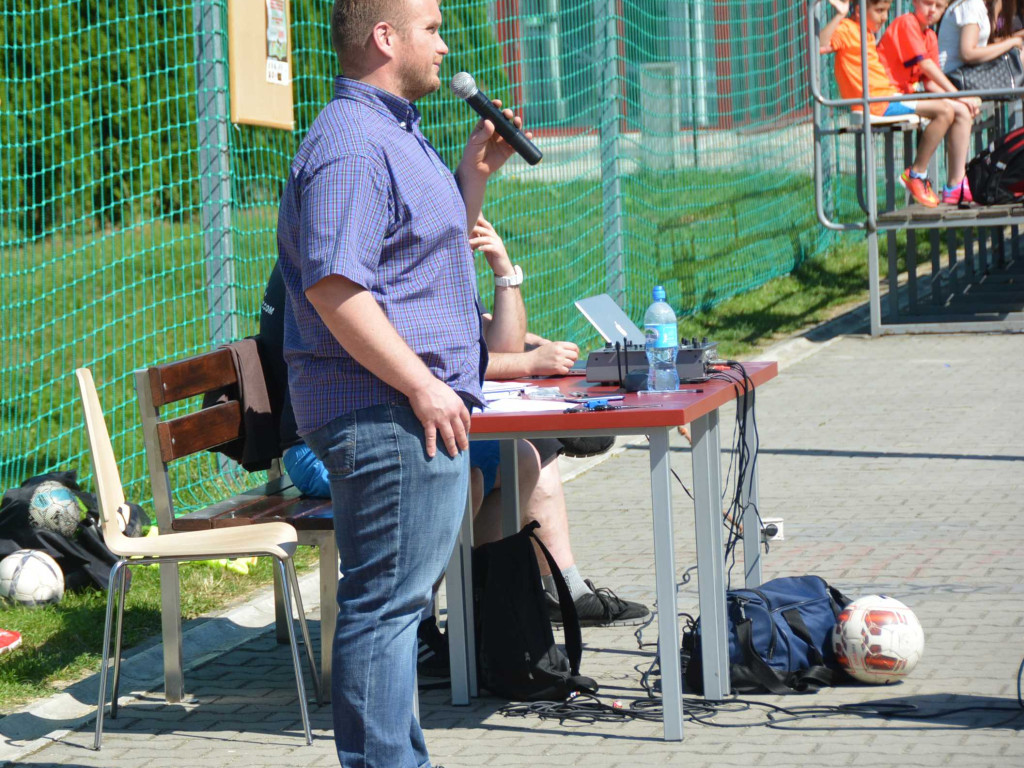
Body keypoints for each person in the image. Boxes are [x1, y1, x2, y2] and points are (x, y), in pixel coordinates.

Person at [275, 1, 525, 765]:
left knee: (394, 606)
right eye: (433, 28)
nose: (447, 45)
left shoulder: (395, 130)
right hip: (383, 412)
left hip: (410, 407)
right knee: (384, 611)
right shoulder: (353, 144)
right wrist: (422, 386)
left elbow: (418, 260)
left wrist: (472, 179)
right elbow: (336, 289)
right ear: (386, 38)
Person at [262, 217, 648, 634]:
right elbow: (432, 361)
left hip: (386, 424)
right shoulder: (351, 257)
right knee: (465, 472)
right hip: (326, 444)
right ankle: (419, 625)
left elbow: (495, 343)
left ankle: (495, 615)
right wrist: (525, 363)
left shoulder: (408, 254)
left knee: (522, 453)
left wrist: (504, 271)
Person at [821, 0, 961, 207]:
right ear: (859, 10)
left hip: (887, 97)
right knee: (944, 112)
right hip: (877, 104)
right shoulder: (847, 29)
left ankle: (953, 178)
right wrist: (840, 14)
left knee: (949, 109)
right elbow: (820, 45)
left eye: (886, 11)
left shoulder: (866, 33)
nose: (884, 17)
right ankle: (916, 174)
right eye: (879, 11)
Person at [878, 0, 981, 204]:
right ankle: (917, 173)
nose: (932, 10)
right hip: (887, 95)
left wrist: (961, 102)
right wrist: (957, 95)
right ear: (915, 2)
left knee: (962, 111)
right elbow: (925, 66)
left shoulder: (931, 36)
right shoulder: (907, 23)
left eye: (939, 6)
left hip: (907, 94)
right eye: (927, 3)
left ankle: (956, 185)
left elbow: (930, 84)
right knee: (946, 110)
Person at [938, 0, 1024, 75]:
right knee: (1021, 56)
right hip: (957, 75)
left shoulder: (976, 4)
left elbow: (985, 45)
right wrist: (1011, 42)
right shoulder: (972, 5)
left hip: (967, 70)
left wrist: (1014, 40)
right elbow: (968, 54)